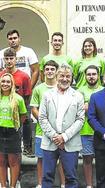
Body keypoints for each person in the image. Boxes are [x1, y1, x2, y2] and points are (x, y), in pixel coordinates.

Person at [38, 64, 84, 187]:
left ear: (72, 78)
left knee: (71, 177)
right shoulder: (47, 95)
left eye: (68, 76)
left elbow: (80, 119)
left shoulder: (78, 96)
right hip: (50, 141)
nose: (65, 79)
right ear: (57, 77)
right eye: (62, 76)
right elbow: (42, 118)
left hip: (70, 142)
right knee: (47, 177)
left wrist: (64, 137)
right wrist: (54, 136)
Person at [30, 60, 65, 188]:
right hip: (42, 131)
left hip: (60, 132)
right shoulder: (39, 89)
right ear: (43, 72)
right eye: (47, 69)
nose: (49, 71)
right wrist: (45, 122)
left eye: (52, 69)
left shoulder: (62, 87)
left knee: (62, 159)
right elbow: (34, 108)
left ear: (56, 72)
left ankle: (63, 184)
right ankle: (40, 184)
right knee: (41, 158)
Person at [0, 48, 32, 157]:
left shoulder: (24, 76)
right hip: (3, 114)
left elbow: (27, 95)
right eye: (7, 58)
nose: (9, 61)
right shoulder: (1, 76)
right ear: (4, 59)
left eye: (11, 58)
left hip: (19, 111)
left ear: (16, 59)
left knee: (16, 144)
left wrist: (20, 109)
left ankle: (27, 147)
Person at [78, 65, 103, 188]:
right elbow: (79, 109)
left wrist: (89, 106)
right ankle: (89, 185)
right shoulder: (80, 91)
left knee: (101, 160)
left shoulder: (104, 90)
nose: (91, 77)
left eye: (94, 74)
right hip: (85, 130)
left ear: (98, 75)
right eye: (89, 74)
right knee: (87, 159)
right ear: (85, 76)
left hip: (102, 131)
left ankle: (100, 184)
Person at [0, 73, 27, 188]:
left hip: (12, 132)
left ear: (12, 84)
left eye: (8, 82)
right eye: (3, 81)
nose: (5, 84)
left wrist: (14, 125)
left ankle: (12, 186)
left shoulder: (18, 99)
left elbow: (23, 115)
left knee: (13, 161)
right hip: (0, 131)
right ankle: (3, 185)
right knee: (1, 161)